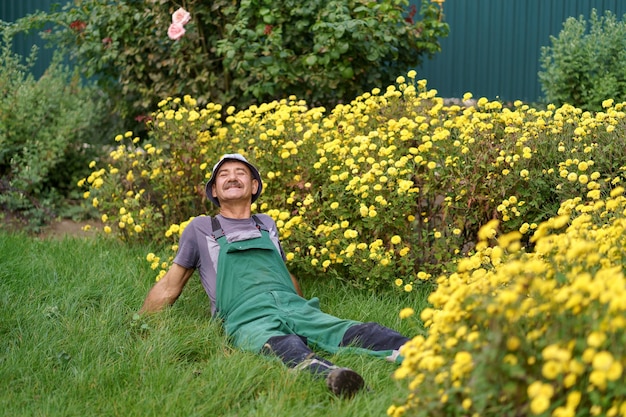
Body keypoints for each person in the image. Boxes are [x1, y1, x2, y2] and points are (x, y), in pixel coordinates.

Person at [139, 153, 410, 397]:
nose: (232, 177)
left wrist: (306, 312)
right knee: (283, 344)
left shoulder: (266, 224)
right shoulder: (201, 228)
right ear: (214, 190)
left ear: (254, 186)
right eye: (223, 174)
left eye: (240, 173)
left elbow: (280, 271)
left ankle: (422, 353)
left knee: (355, 330)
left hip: (292, 305)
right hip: (246, 315)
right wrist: (143, 328)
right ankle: (332, 377)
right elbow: (169, 286)